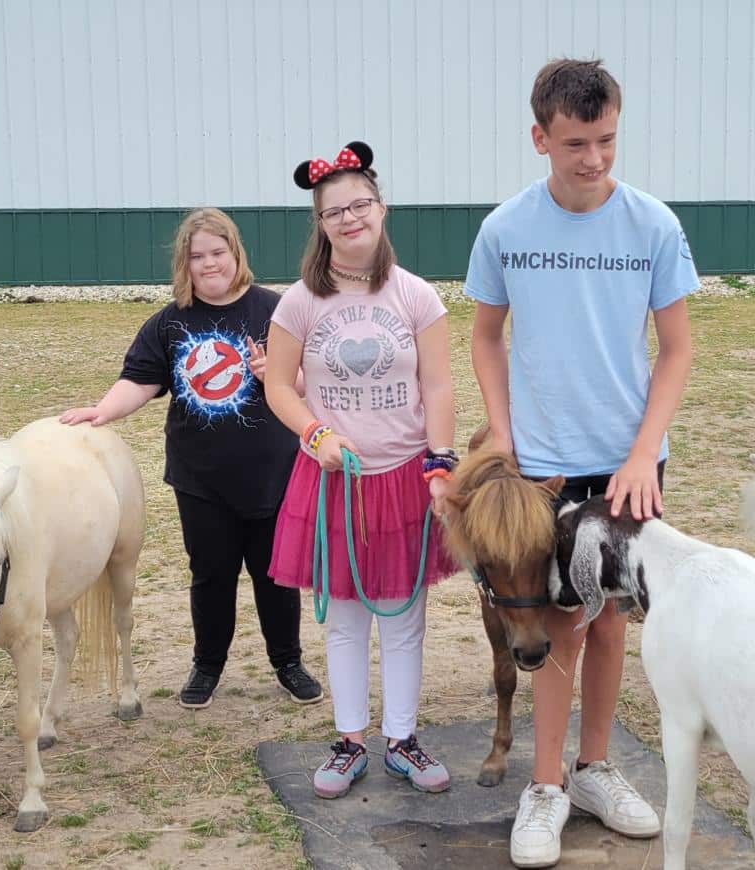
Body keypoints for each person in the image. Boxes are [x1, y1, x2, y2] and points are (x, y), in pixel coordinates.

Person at [463, 58, 696, 867]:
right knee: (560, 619)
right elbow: (485, 337)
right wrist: (500, 430)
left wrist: (640, 455)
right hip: (544, 466)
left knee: (610, 623)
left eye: (604, 140)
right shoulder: (505, 229)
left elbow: (675, 351)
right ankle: (546, 785)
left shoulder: (653, 226)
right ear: (540, 138)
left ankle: (596, 768)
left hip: (628, 466)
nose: (592, 158)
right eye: (574, 143)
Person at [59, 207, 324, 708]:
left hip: (274, 475)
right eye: (198, 255)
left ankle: (287, 661)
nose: (209, 264)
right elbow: (140, 380)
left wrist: (279, 375)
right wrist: (102, 411)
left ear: (235, 253)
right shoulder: (169, 323)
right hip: (201, 481)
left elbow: (313, 385)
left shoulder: (277, 310)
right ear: (185, 262)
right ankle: (207, 665)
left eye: (218, 252)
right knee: (211, 575)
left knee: (276, 575)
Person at [261, 141, 459, 800]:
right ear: (320, 225)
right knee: (344, 620)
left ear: (381, 208)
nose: (349, 219)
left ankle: (401, 738)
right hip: (334, 480)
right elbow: (279, 388)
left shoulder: (416, 297)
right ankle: (349, 740)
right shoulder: (297, 303)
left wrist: (438, 463)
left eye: (360, 204)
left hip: (404, 474)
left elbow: (439, 387)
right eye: (334, 211)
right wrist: (313, 431)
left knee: (404, 618)